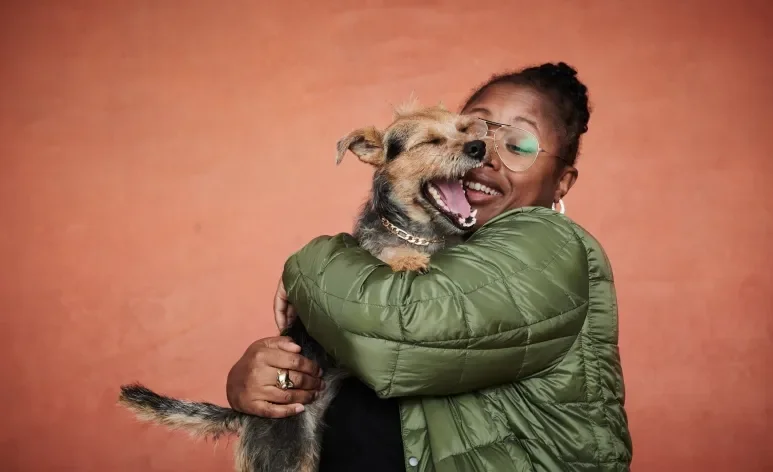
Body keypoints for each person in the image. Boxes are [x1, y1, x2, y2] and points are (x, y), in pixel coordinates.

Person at [226, 62, 633, 471]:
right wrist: (271, 380)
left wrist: (308, 264)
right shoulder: (452, 247)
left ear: (562, 183)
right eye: (474, 132)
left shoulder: (549, 244)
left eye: (519, 147)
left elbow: (396, 335)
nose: (483, 153)